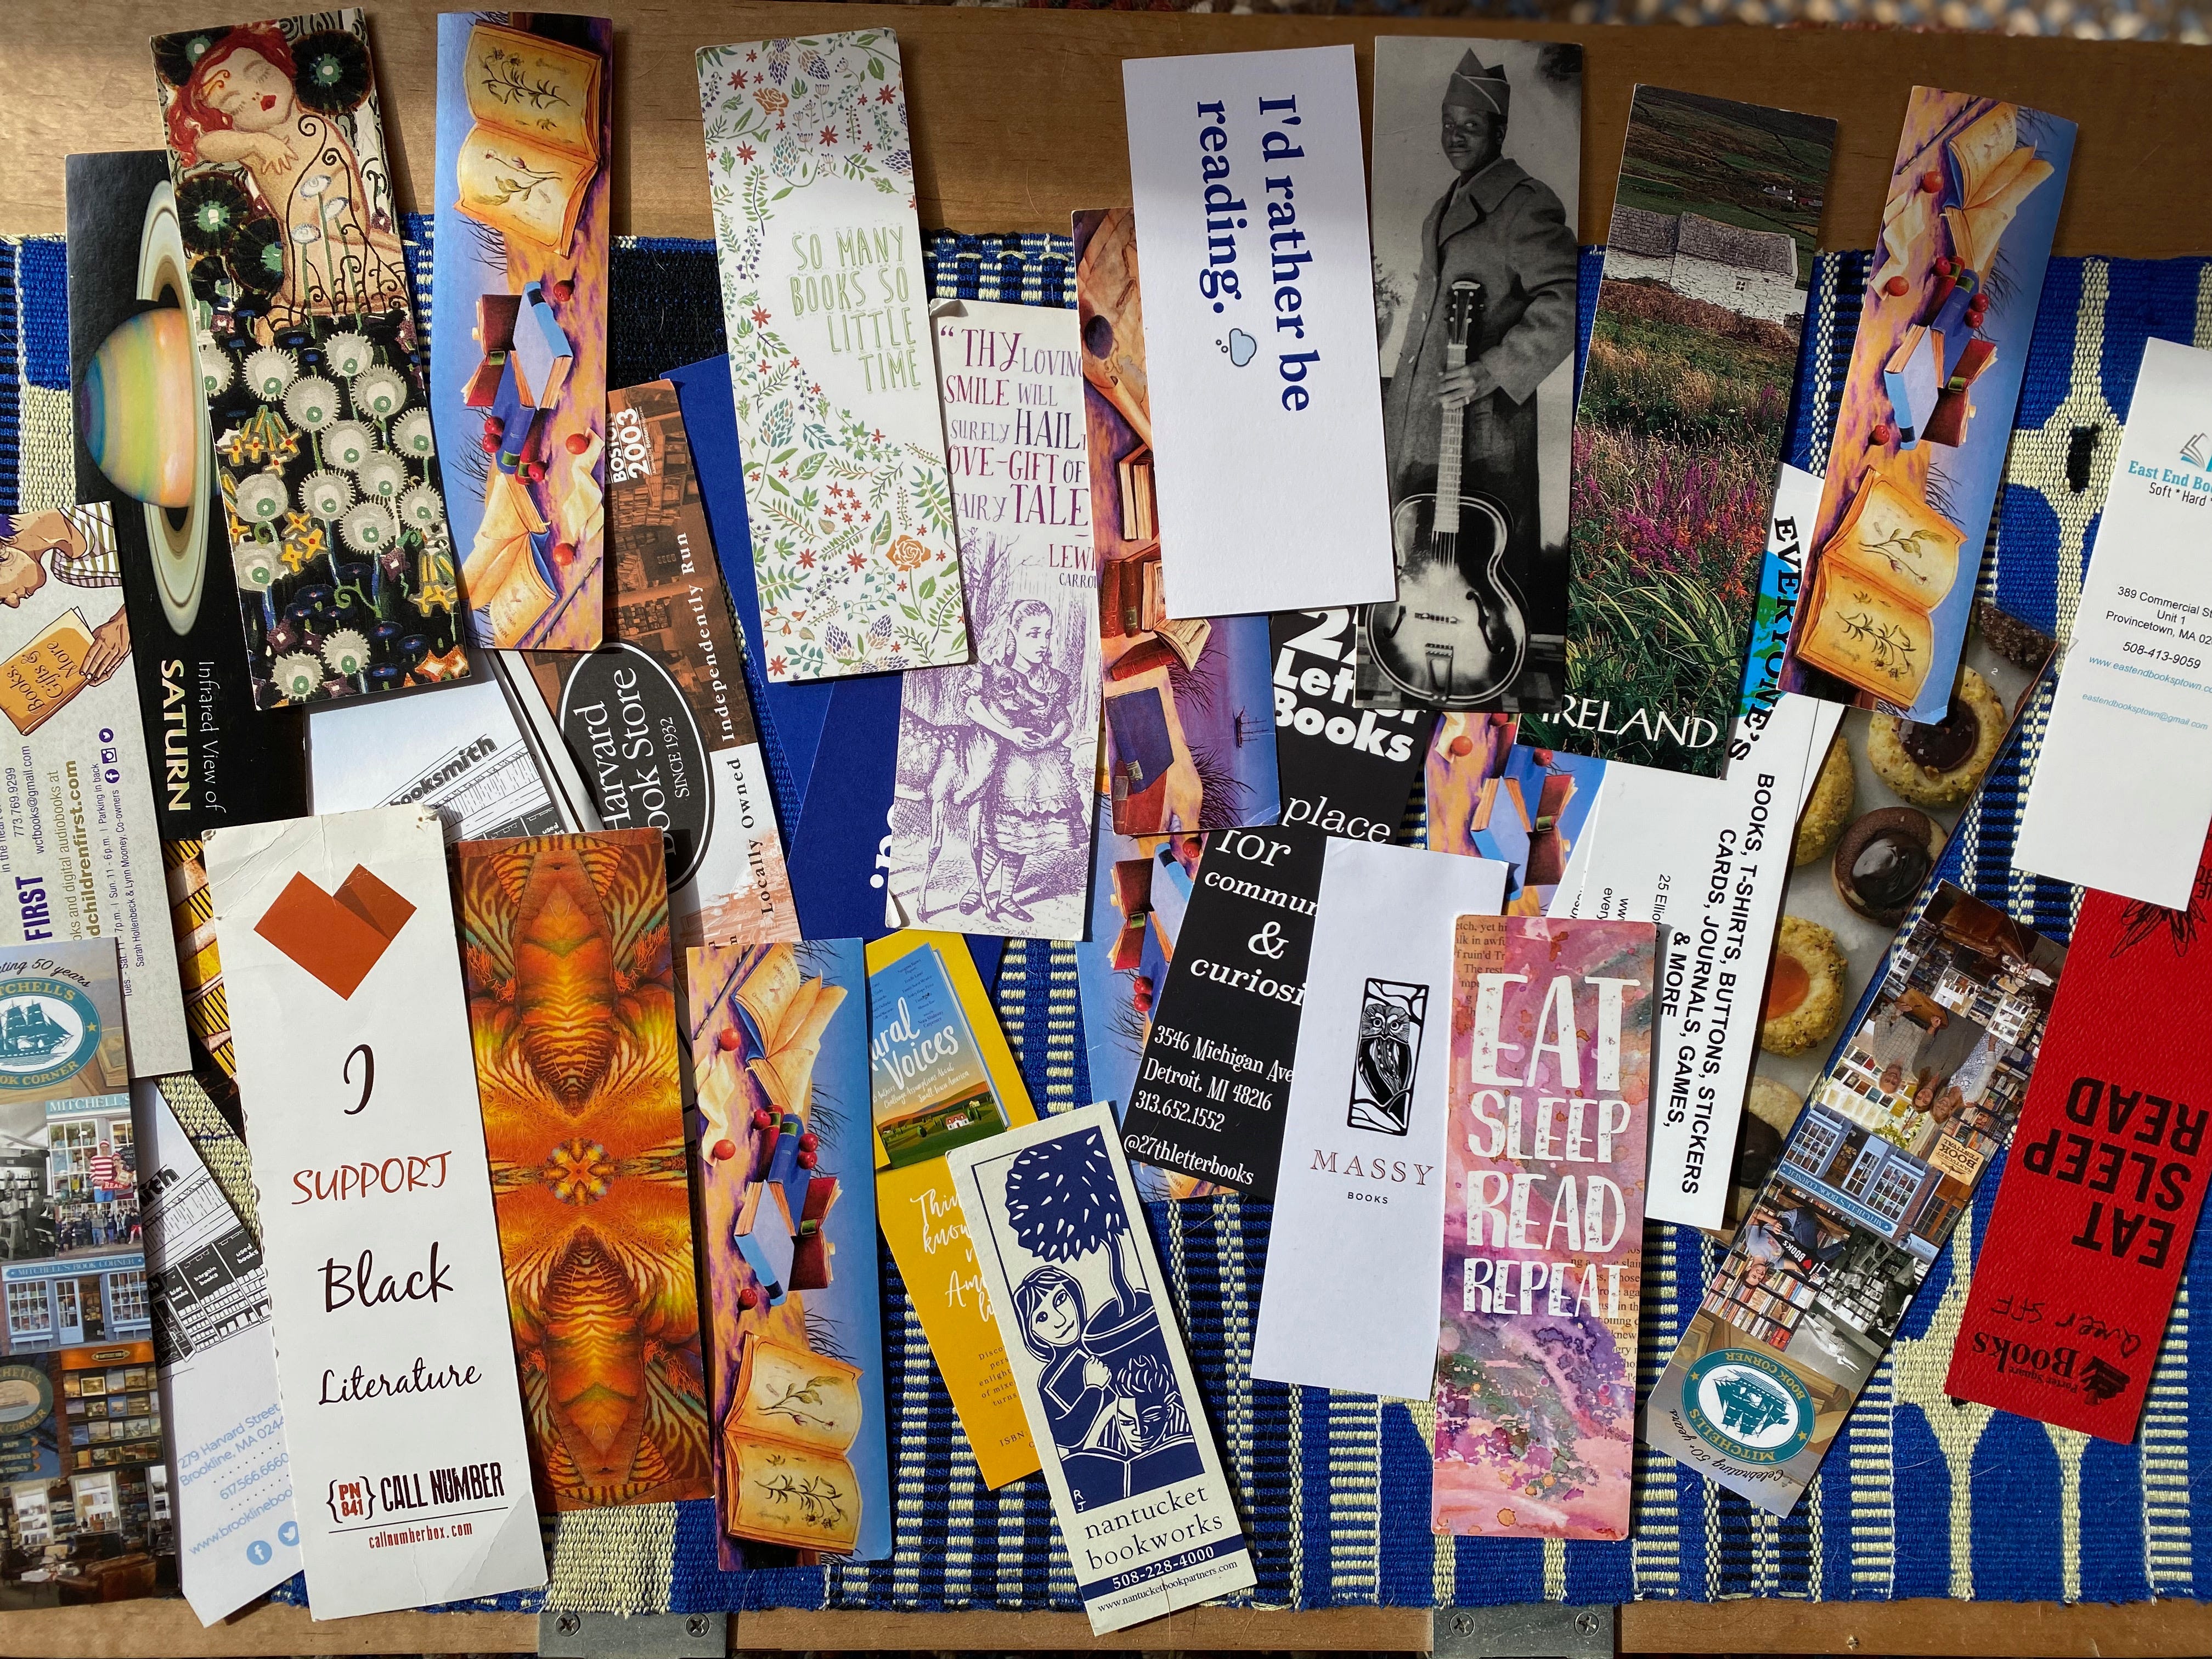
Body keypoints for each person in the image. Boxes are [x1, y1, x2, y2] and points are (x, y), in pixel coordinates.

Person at [1380, 54, 1577, 589]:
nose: (1456, 136)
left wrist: (1491, 371)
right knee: (1413, 568)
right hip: (1418, 421)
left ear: (1500, 130)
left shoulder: (1524, 206)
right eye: (1449, 124)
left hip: (1481, 430)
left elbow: (1568, 300)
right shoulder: (1441, 208)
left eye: (1470, 125)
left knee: (1483, 578)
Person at [163, 24, 408, 324]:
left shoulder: (315, 123)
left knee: (389, 259)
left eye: (261, 75)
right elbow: (207, 144)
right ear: (226, 118)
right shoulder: (252, 143)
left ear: (278, 63)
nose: (256, 95)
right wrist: (257, 142)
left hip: (351, 232)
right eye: (235, 103)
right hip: (312, 255)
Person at [948, 597, 1079, 924]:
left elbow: (1064, 720)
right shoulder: (997, 673)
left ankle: (1006, 898)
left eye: (1047, 635)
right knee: (996, 833)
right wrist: (1010, 735)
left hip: (1042, 770)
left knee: (1020, 837)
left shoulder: (1052, 679)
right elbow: (972, 708)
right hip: (1003, 764)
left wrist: (1050, 738)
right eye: (1034, 634)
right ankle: (977, 891)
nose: (1042, 642)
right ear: (1014, 634)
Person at [1013, 1267, 1133, 1508]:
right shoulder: (1048, 1382)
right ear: (1032, 1331)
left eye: (1060, 1299)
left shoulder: (1104, 1338)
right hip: (1098, 1471)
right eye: (1042, 1317)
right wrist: (1093, 1390)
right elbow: (1064, 1435)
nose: (1060, 1320)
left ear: (1073, 1294)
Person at [0, 511, 131, 684]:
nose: (13, 603)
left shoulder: (79, 506)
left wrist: (125, 621)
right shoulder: (71, 571)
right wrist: (127, 620)